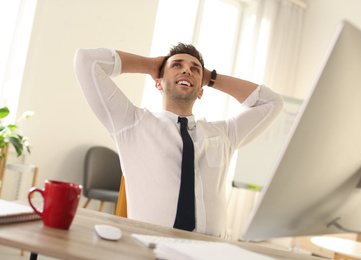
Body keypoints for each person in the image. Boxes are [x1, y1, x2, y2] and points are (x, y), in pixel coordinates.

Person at [74, 43, 284, 239]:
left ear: (201, 91)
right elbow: (86, 61)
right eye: (177, 65)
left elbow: (272, 102)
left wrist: (210, 77)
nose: (187, 71)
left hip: (213, 253)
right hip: (152, 250)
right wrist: (152, 65)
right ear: (158, 82)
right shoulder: (132, 123)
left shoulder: (224, 134)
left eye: (194, 69)